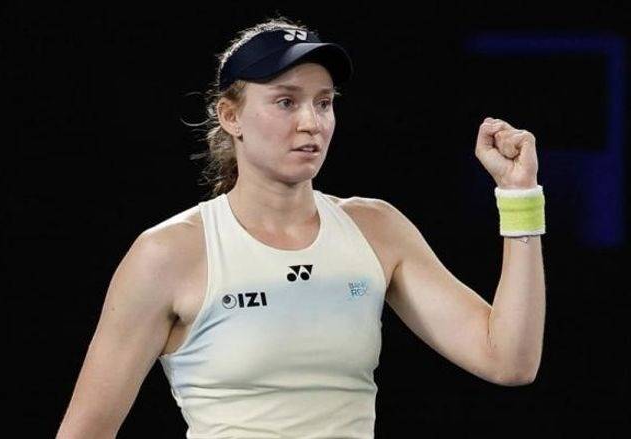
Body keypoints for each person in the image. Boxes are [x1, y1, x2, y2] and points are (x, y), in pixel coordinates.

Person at [56, 15, 546, 439]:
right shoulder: (168, 253)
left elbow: (509, 360)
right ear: (231, 116)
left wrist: (519, 196)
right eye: (286, 102)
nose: (311, 122)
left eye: (324, 102)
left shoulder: (376, 229)